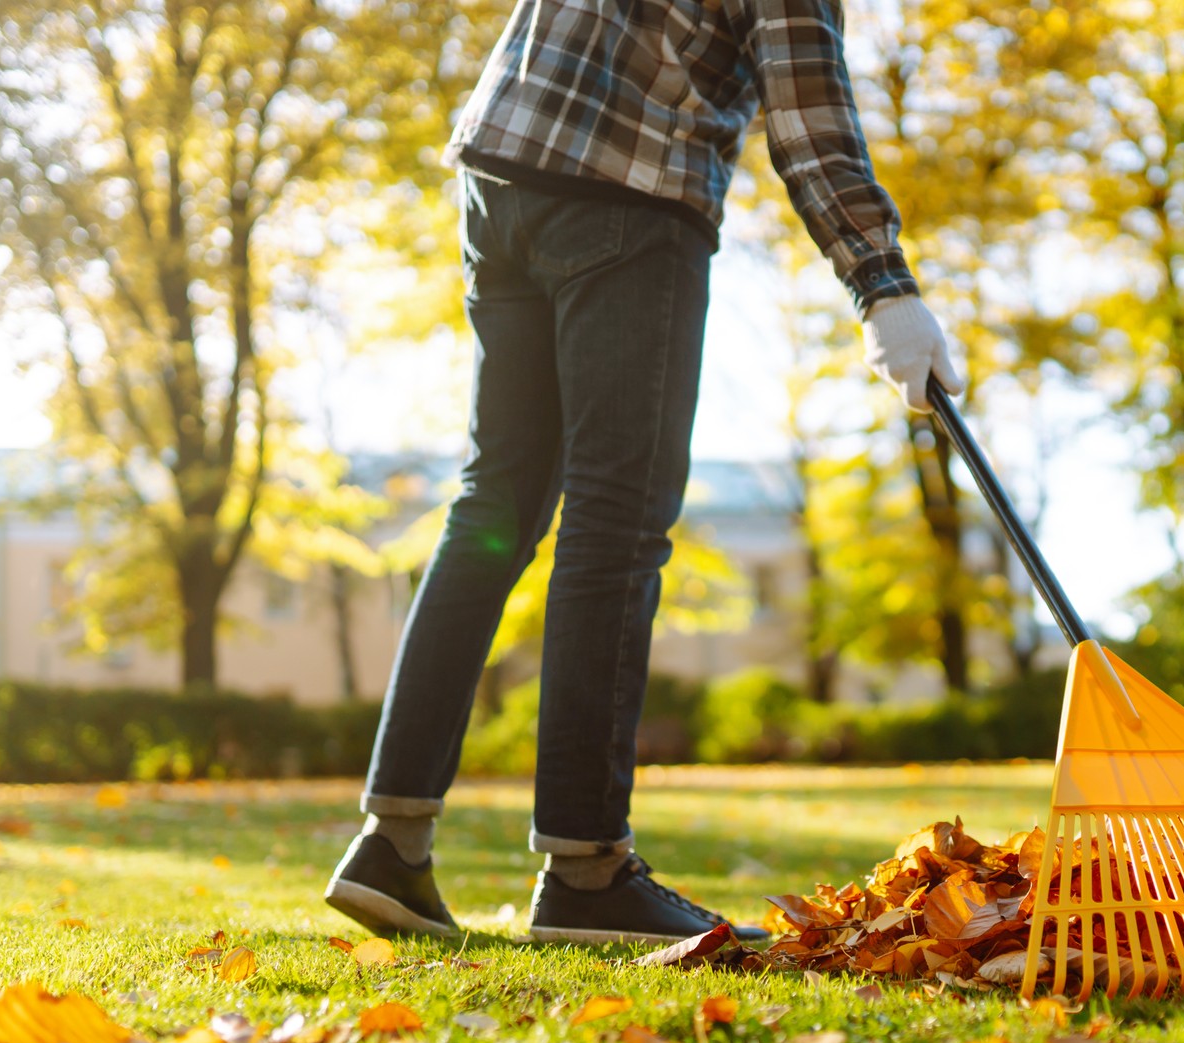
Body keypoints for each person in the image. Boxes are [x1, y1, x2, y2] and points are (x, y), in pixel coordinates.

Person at [323, 0, 963, 944]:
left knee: (492, 501)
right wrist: (884, 284)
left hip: (505, 169)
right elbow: (807, 113)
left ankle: (391, 842)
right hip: (628, 190)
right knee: (615, 520)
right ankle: (586, 871)